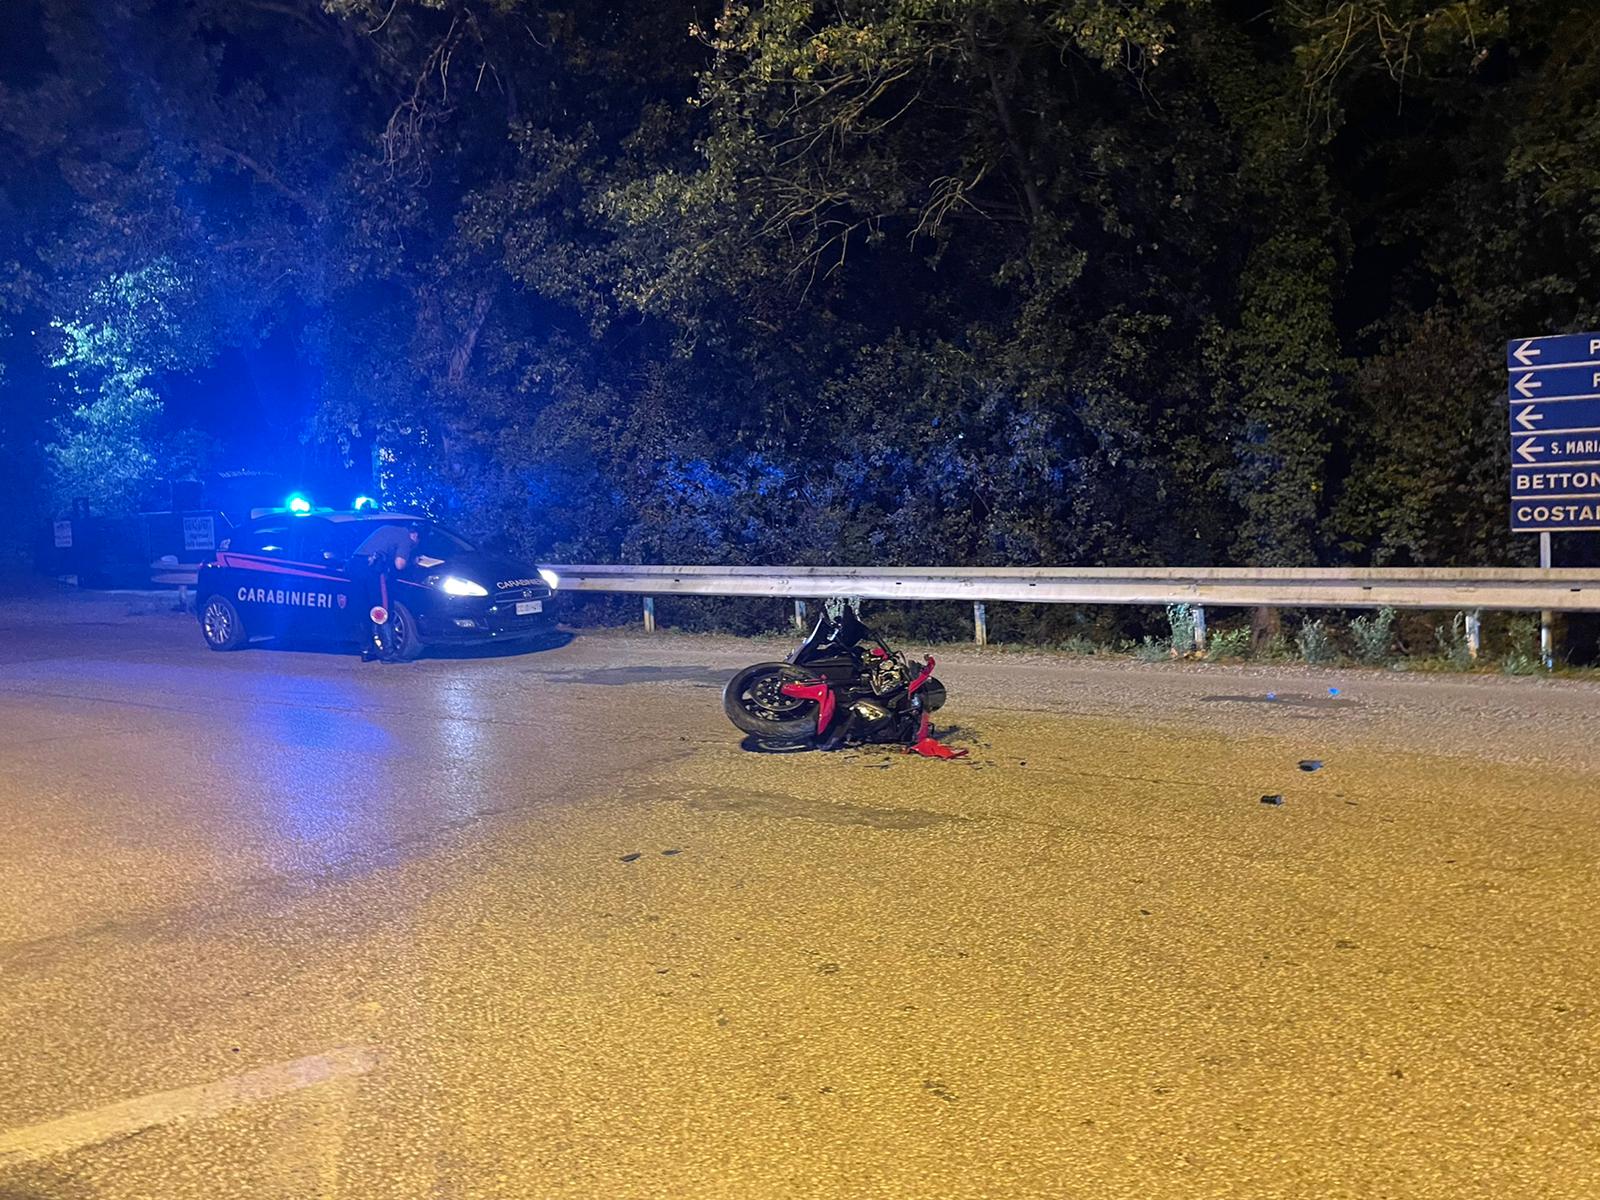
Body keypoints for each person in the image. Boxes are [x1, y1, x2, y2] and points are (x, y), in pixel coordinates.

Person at [351, 522, 419, 660]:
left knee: (363, 608)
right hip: (374, 569)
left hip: (355, 567)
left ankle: (366, 650)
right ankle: (388, 653)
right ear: (415, 535)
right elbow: (399, 564)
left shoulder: (386, 528)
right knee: (383, 608)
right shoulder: (406, 537)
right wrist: (413, 561)